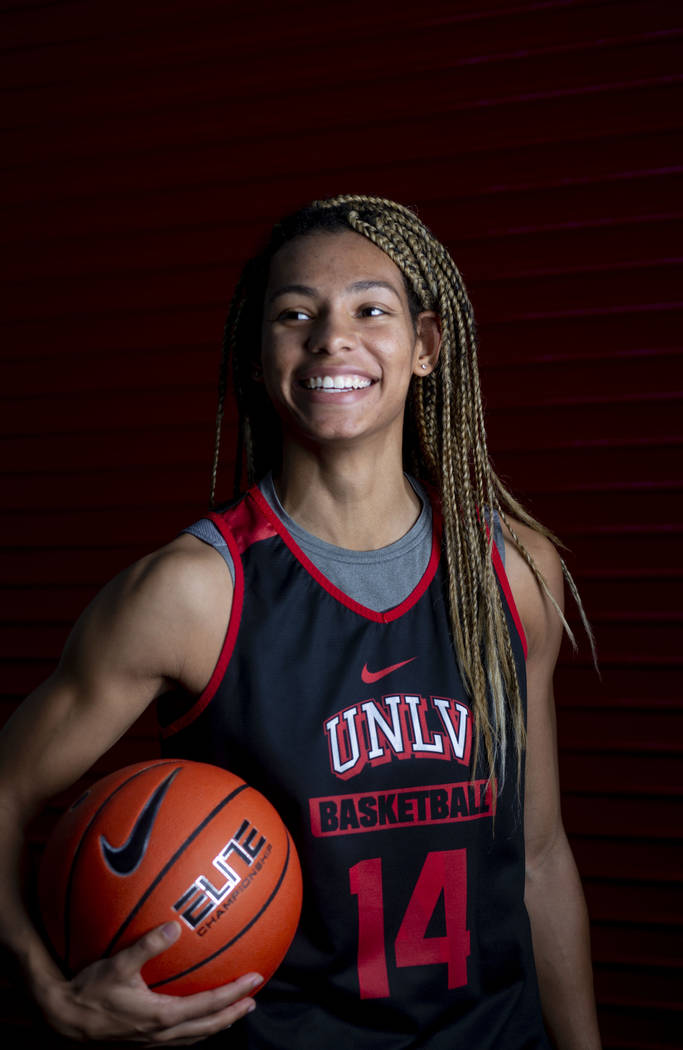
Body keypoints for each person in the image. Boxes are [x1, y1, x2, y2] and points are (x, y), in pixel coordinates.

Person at [0, 195, 602, 1047]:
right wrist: (49, 994)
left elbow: (538, 862)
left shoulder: (508, 571)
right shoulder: (194, 593)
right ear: (256, 356)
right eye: (295, 314)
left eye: (370, 309)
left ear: (425, 347)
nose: (331, 338)